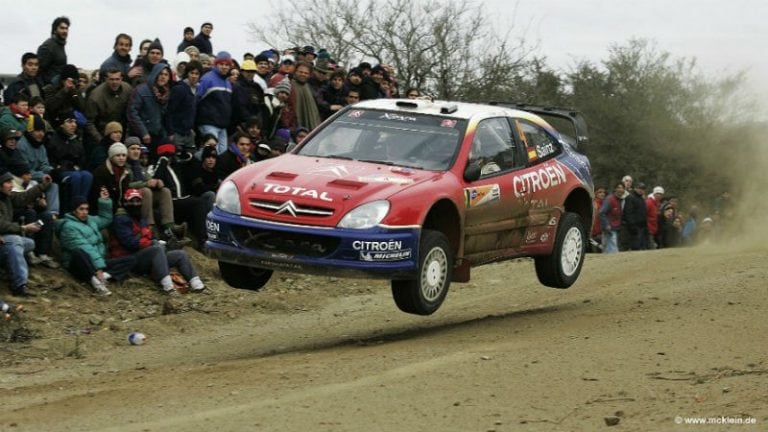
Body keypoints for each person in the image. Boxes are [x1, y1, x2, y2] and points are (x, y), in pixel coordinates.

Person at [110, 188, 206, 294]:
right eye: (132, 201)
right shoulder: (121, 220)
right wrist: (153, 243)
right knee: (156, 249)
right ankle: (168, 287)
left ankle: (197, 284)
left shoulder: (140, 219)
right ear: (125, 202)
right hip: (129, 260)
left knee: (180, 254)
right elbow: (130, 243)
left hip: (146, 256)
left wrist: (163, 244)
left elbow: (150, 237)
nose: (135, 204)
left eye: (138, 201)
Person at [56, 193, 135, 295]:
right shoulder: (68, 227)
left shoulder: (90, 220)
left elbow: (106, 219)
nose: (85, 212)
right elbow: (84, 247)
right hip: (79, 264)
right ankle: (96, 283)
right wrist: (98, 268)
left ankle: (104, 276)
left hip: (98, 262)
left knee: (131, 260)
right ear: (74, 210)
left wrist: (104, 201)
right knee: (78, 252)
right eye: (81, 209)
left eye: (87, 209)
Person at [0, 171, 52, 297]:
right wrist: (23, 228)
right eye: (8, 183)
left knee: (29, 243)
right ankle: (19, 285)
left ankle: (9, 268)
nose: (11, 185)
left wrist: (42, 186)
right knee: (15, 242)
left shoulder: (7, 197)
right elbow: (1, 225)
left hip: (4, 240)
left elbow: (24, 197)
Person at [149, 144, 211, 248]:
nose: (170, 158)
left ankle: (204, 238)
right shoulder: (156, 165)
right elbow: (155, 179)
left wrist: (183, 154)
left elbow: (189, 161)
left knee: (205, 199)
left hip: (183, 199)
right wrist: (163, 161)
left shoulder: (176, 165)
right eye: (167, 155)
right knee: (199, 203)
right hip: (171, 201)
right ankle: (203, 240)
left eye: (171, 155)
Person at [84, 68, 132, 161]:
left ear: (121, 79)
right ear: (106, 79)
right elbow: (89, 122)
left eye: (117, 79)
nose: (114, 82)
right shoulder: (96, 96)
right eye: (111, 79)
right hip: (102, 133)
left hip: (122, 132)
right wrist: (101, 140)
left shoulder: (127, 89)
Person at [127, 63, 172, 153]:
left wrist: (165, 134)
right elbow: (132, 112)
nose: (163, 77)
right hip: (140, 135)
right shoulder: (141, 90)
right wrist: (143, 132)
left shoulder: (166, 93)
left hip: (157, 135)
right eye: (160, 74)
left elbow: (163, 116)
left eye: (166, 74)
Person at [196, 52, 234, 154]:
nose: (224, 67)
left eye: (227, 65)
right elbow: (197, 98)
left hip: (222, 125)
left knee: (223, 154)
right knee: (210, 152)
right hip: (208, 123)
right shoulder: (207, 78)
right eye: (221, 64)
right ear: (216, 64)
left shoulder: (228, 82)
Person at [168, 60, 202, 153]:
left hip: (188, 133)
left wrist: (191, 129)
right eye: (192, 73)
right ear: (187, 73)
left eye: (197, 73)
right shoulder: (180, 89)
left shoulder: (196, 90)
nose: (194, 76)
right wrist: (171, 132)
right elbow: (170, 111)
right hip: (176, 133)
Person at [37, 16, 70, 85]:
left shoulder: (60, 45)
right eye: (62, 28)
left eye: (66, 28)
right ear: (55, 30)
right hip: (50, 90)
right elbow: (39, 71)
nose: (65, 31)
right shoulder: (48, 46)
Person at [599, 182, 624, 254]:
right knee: (613, 252)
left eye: (622, 188)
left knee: (608, 251)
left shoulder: (620, 200)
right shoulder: (609, 199)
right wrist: (606, 225)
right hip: (609, 230)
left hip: (616, 228)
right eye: (618, 187)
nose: (620, 189)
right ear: (615, 189)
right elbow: (601, 212)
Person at [622, 182, 648, 250]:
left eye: (643, 189)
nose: (641, 190)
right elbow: (628, 212)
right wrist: (632, 225)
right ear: (635, 188)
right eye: (639, 188)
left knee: (641, 246)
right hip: (634, 227)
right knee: (635, 246)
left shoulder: (641, 199)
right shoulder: (630, 197)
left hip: (642, 226)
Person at [590, 186, 606, 252]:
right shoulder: (594, 203)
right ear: (595, 193)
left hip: (602, 233)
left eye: (603, 192)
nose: (603, 194)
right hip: (595, 234)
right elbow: (594, 219)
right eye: (600, 192)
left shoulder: (604, 203)